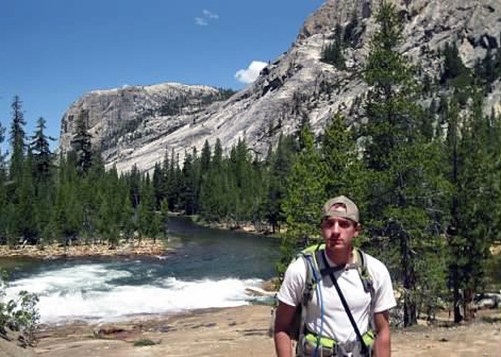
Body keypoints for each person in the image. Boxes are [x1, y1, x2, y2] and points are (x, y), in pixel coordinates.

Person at [274, 195, 396, 357]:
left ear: (356, 230)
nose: (336, 231)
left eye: (344, 224)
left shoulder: (375, 271)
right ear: (321, 228)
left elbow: (382, 330)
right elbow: (282, 327)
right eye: (329, 224)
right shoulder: (301, 270)